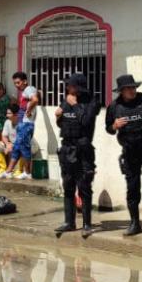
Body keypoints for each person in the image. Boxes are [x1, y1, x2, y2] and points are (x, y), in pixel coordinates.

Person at [105, 74, 142, 237]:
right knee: (132, 188)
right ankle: (135, 223)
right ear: (121, 91)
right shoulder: (114, 106)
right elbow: (108, 129)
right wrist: (114, 125)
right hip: (129, 152)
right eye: (128, 88)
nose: (132, 90)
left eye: (134, 87)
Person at [53, 74, 101, 238]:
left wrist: (74, 106)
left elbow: (86, 121)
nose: (68, 89)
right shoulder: (66, 100)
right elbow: (63, 123)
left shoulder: (91, 102)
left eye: (71, 86)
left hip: (83, 150)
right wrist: (58, 116)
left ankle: (87, 224)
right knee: (68, 186)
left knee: (84, 187)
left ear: (78, 87)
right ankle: (69, 222)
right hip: (67, 148)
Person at [0, 72, 39, 179]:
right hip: (22, 124)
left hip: (26, 124)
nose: (17, 85)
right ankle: (8, 171)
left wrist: (29, 110)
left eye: (18, 83)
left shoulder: (28, 89)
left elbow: (35, 99)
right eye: (15, 83)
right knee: (17, 147)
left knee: (24, 148)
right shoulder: (25, 92)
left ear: (25, 81)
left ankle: (27, 172)